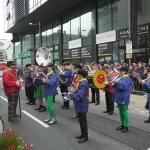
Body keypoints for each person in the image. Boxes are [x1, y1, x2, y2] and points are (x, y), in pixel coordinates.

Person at [69, 69, 89, 143]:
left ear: (81, 75)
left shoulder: (83, 83)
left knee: (83, 121)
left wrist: (71, 94)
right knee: (81, 120)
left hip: (82, 103)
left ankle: (85, 136)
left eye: (77, 74)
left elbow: (80, 95)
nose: (76, 76)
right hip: (81, 103)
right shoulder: (81, 82)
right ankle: (82, 134)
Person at [112, 67, 132, 133]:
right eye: (120, 71)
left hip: (124, 97)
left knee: (124, 112)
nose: (120, 72)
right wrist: (112, 83)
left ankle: (126, 126)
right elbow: (117, 86)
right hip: (119, 96)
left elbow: (123, 87)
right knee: (120, 112)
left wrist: (116, 82)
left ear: (125, 72)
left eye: (121, 71)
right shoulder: (121, 77)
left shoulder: (127, 78)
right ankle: (122, 124)